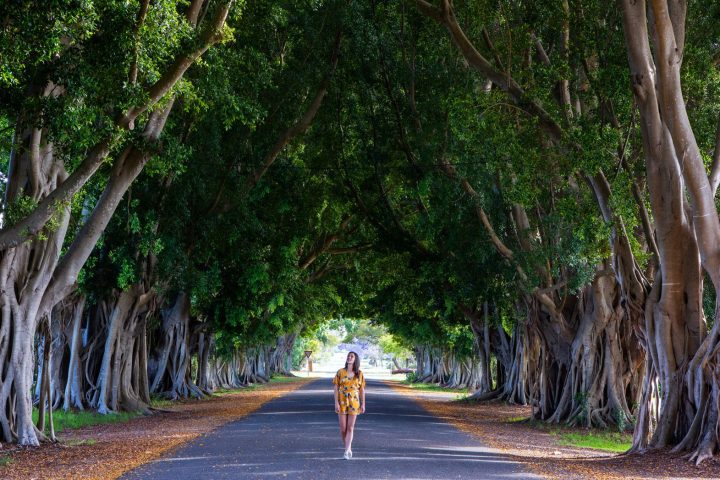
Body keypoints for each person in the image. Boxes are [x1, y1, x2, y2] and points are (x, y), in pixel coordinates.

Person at [333, 351, 366, 460]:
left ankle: (346, 451)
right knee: (343, 428)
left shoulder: (359, 374)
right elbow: (336, 388)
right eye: (348, 356)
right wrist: (336, 403)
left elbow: (362, 390)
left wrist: (363, 404)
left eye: (352, 356)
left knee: (350, 427)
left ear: (355, 359)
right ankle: (349, 447)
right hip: (342, 401)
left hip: (354, 402)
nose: (349, 357)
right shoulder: (340, 372)